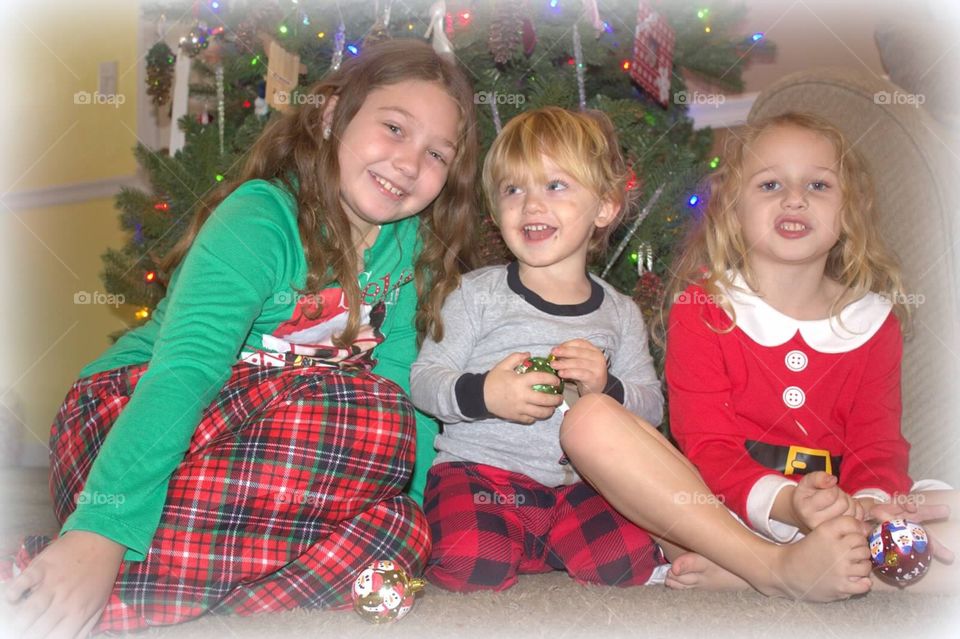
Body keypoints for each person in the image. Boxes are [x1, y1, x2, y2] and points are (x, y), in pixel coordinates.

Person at [3, 39, 479, 637]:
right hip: (130, 422)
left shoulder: (415, 253)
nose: (409, 163)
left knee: (396, 537)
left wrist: (409, 506)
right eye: (393, 128)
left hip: (272, 470)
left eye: (438, 153)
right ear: (332, 116)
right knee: (371, 411)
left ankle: (85, 596)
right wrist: (100, 527)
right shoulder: (260, 218)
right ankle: (93, 554)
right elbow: (187, 370)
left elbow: (403, 389)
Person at [560, 111, 956, 601]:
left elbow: (877, 445)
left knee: (947, 518)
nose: (795, 198)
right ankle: (766, 567)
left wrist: (868, 506)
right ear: (732, 209)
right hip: (725, 514)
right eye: (770, 185)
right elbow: (709, 449)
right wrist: (789, 504)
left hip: (843, 517)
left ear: (848, 210)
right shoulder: (703, 309)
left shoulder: (874, 322)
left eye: (818, 184)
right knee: (590, 421)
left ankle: (785, 572)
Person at [410, 107, 667, 592]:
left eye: (555, 185)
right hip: (480, 476)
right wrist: (486, 393)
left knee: (627, 561)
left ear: (606, 206)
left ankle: (537, 543)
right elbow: (425, 379)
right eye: (513, 189)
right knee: (472, 565)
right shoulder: (475, 293)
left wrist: (605, 388)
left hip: (579, 487)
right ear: (496, 209)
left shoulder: (620, 312)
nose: (531, 205)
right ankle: (506, 541)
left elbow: (651, 409)